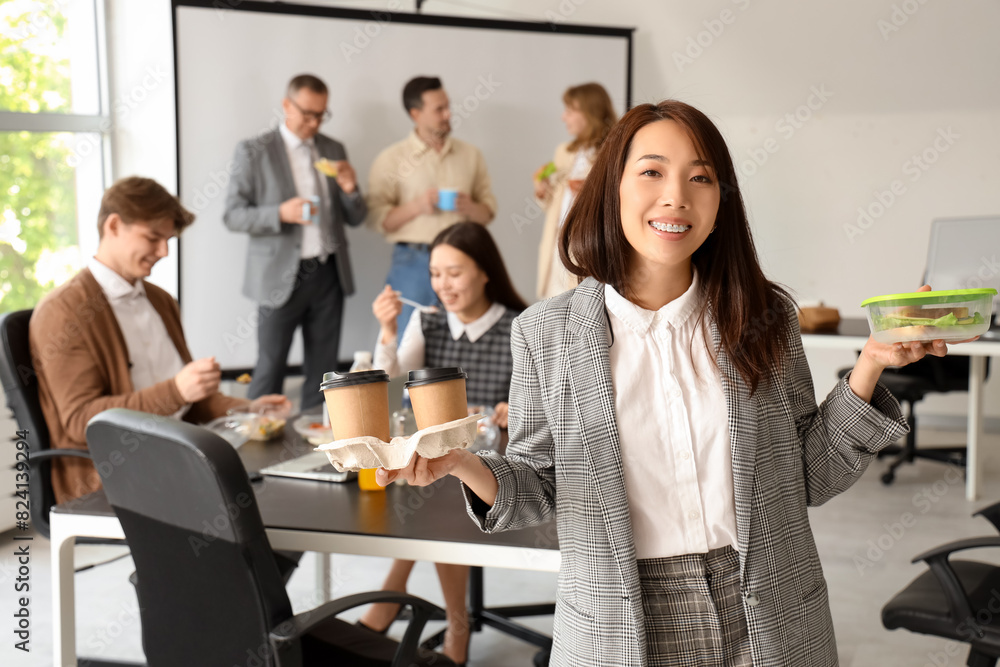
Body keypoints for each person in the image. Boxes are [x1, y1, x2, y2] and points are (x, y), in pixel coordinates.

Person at [376, 101, 979, 666]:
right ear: (612, 189)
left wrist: (869, 366)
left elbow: (808, 478)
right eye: (652, 172)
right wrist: (460, 462)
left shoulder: (764, 314)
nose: (676, 197)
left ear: (721, 202)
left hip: (770, 610)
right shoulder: (547, 332)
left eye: (700, 178)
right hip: (622, 616)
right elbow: (538, 486)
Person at [30, 176, 291, 505]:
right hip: (111, 471)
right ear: (113, 225)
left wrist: (250, 410)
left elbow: (194, 402)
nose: (164, 251)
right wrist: (175, 391)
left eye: (168, 240)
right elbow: (82, 421)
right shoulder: (64, 312)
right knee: (254, 503)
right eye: (153, 237)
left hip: (175, 453)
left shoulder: (160, 300)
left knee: (285, 482)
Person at [360, 221, 528, 665]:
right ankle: (449, 626)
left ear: (485, 271)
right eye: (436, 274)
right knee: (425, 482)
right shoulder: (428, 322)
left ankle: (408, 607)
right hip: (437, 458)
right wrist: (388, 330)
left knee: (439, 493)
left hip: (496, 461)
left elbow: (545, 407)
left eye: (454, 272)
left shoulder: (521, 327)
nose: (442, 285)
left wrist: (518, 411)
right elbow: (391, 385)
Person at [224, 74, 366, 409]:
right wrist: (280, 213)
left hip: (329, 272)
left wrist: (350, 189)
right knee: (270, 367)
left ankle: (314, 451)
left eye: (321, 115)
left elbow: (357, 217)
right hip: (278, 276)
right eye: (307, 114)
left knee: (324, 371)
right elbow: (233, 214)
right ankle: (254, 448)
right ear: (287, 105)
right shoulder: (253, 151)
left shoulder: (333, 149)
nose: (314, 123)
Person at [367, 76, 497, 336]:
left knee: (466, 338)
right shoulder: (391, 159)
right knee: (404, 341)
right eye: (439, 109)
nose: (448, 114)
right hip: (412, 262)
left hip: (465, 261)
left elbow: (488, 211)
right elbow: (376, 219)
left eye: (448, 106)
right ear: (415, 113)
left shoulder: (471, 155)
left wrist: (470, 207)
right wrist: (416, 206)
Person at [535, 82, 616, 300]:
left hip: (588, 244)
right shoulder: (564, 151)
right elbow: (556, 204)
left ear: (590, 112)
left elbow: (618, 200)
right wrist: (544, 192)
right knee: (552, 304)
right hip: (558, 239)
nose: (564, 117)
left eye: (570, 111)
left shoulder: (612, 151)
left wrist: (590, 192)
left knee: (580, 302)